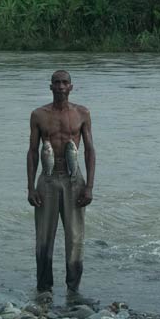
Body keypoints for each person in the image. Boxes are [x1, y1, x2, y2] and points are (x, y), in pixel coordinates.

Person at [27, 69, 95, 297]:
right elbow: (33, 152)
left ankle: (73, 288)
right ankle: (44, 287)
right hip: (47, 178)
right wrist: (30, 187)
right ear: (50, 87)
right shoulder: (39, 114)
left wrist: (89, 186)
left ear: (71, 86)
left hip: (73, 178)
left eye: (65, 82)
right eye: (56, 83)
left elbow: (90, 151)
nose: (61, 86)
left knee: (75, 236)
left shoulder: (82, 113)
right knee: (44, 236)